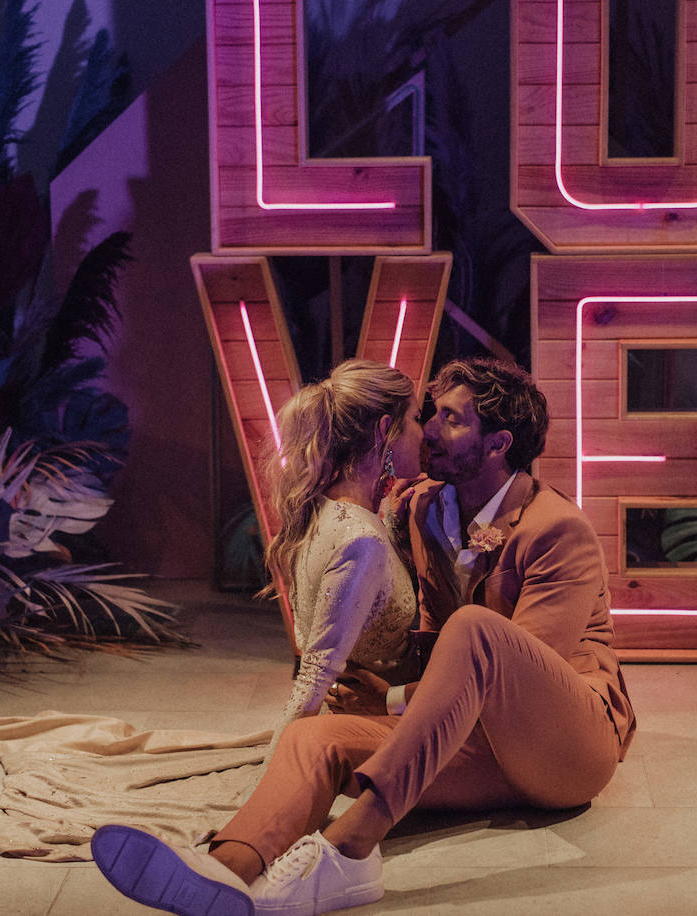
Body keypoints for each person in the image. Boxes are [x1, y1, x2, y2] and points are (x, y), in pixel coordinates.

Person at [91, 357, 635, 916]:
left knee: (476, 629)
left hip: (565, 747)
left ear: (497, 444)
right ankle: (224, 870)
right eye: (430, 415)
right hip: (473, 750)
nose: (428, 431)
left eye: (451, 419)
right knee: (312, 738)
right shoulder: (423, 505)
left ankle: (350, 849)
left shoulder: (557, 530)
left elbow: (516, 672)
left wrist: (392, 700)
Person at [252, 360, 424, 762]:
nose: (424, 432)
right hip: (377, 735)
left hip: (371, 711)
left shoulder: (327, 509)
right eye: (415, 418)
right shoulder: (359, 537)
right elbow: (313, 676)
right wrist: (269, 783)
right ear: (385, 430)